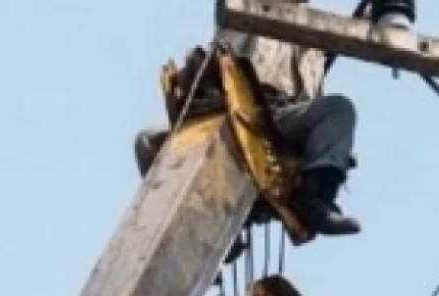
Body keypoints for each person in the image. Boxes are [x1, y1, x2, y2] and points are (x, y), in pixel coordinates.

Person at [134, 89, 362, 237]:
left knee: (339, 109)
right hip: (218, 117)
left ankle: (314, 200)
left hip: (269, 121)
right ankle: (190, 225)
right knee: (147, 139)